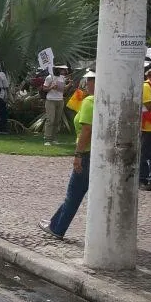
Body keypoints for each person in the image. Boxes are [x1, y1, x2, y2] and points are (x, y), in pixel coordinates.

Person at [41, 70, 96, 240]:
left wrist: (78, 155)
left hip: (87, 153)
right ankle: (54, 223)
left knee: (74, 194)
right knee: (77, 193)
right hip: (97, 153)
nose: (86, 83)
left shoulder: (89, 101)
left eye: (89, 80)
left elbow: (87, 130)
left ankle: (58, 228)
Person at [42, 65, 68, 146]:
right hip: (50, 100)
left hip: (60, 100)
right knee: (50, 120)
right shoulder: (49, 77)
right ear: (57, 69)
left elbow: (63, 90)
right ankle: (47, 139)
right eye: (61, 69)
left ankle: (54, 138)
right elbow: (44, 89)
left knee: (57, 120)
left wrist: (70, 84)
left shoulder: (62, 78)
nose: (63, 71)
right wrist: (51, 87)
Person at [141, 65, 151, 191]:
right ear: (149, 75)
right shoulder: (146, 86)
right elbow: (149, 105)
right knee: (145, 154)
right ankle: (143, 180)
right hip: (147, 127)